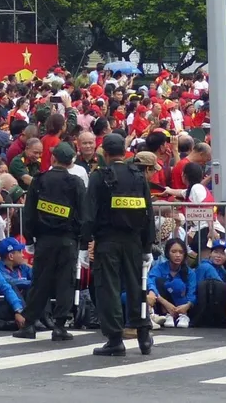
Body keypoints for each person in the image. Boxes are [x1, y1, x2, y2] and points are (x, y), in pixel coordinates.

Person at [84, 133, 156, 357]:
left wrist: (84, 243)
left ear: (104, 153)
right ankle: (143, 333)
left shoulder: (99, 176)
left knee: (109, 289)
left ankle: (115, 339)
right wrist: (147, 246)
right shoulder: (137, 175)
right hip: (134, 241)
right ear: (124, 152)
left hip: (108, 241)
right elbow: (148, 214)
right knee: (137, 287)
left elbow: (89, 214)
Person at [14, 142, 89, 341]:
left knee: (40, 281)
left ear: (53, 158)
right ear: (71, 162)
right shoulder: (76, 183)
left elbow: (29, 213)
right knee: (66, 282)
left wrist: (29, 239)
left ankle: (29, 324)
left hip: (44, 239)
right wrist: (83, 244)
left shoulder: (40, 180)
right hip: (68, 240)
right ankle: (59, 326)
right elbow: (83, 215)